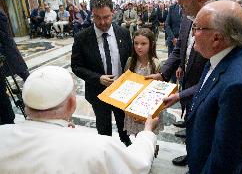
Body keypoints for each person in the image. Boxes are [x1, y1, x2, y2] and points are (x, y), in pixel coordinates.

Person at [0, 66, 159, 174]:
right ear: (72, 103)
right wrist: (147, 132)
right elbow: (138, 164)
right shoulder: (98, 147)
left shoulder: (3, 133)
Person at [186, 0, 242, 174]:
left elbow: (225, 163)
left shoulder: (241, 86)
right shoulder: (228, 53)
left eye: (197, 28)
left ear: (216, 37)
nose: (193, 34)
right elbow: (213, 87)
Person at [146, 0, 212, 167]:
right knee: (191, 127)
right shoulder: (186, 18)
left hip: (205, 93)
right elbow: (178, 49)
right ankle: (191, 154)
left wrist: (180, 94)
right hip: (187, 84)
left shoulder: (216, 25)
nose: (177, 2)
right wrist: (163, 73)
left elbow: (214, 77)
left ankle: (197, 162)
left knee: (203, 133)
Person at [71, 0, 132, 146]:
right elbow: (76, 66)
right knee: (103, 129)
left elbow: (131, 60)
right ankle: (105, 155)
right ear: (92, 14)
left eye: (106, 17)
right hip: (98, 93)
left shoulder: (123, 33)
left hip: (121, 91)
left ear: (113, 13)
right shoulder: (82, 38)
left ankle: (127, 149)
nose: (102, 22)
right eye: (97, 17)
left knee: (124, 127)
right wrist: (97, 78)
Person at [123, 28, 163, 135]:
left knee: (149, 136)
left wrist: (144, 114)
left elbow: (159, 93)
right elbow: (126, 86)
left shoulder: (157, 64)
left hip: (149, 109)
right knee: (136, 137)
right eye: (136, 43)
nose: (139, 47)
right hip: (133, 107)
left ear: (151, 44)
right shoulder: (130, 62)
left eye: (143, 43)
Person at [0, 10, 30, 125]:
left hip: (7, 52)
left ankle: (35, 93)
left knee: (24, 73)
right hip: (5, 52)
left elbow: (4, 34)